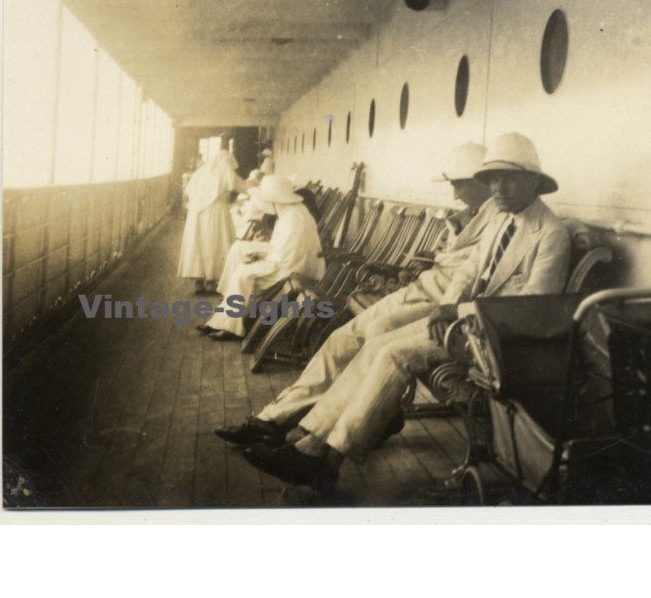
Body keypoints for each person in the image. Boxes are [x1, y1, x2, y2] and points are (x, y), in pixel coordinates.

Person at [241, 132, 571, 494]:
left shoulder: (550, 234)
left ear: (533, 181)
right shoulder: (503, 221)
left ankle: (327, 460)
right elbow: (467, 271)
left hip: (498, 339)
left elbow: (534, 306)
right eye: (492, 178)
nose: (498, 188)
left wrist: (459, 311)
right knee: (375, 343)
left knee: (394, 354)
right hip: (463, 324)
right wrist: (449, 305)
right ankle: (311, 445)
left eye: (508, 178)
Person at [214, 142, 495, 447]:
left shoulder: (497, 220)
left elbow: (470, 275)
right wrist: (446, 242)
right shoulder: (477, 215)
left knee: (366, 344)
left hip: (436, 306)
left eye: (459, 185)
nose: (455, 195)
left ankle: (295, 427)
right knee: (340, 340)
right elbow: (455, 262)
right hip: (419, 290)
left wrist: (443, 269)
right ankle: (274, 418)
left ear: (480, 181)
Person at [198, 175, 326, 340]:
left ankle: (230, 326)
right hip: (285, 257)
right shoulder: (289, 211)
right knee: (239, 248)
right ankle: (227, 310)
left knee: (242, 274)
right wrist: (261, 251)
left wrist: (260, 256)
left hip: (292, 268)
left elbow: (285, 257)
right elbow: (282, 247)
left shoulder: (294, 218)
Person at [178, 150, 248, 294]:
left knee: (197, 243)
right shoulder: (226, 170)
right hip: (215, 211)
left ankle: (198, 281)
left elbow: (188, 192)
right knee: (214, 243)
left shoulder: (201, 171)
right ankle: (211, 280)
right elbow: (242, 186)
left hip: (196, 213)